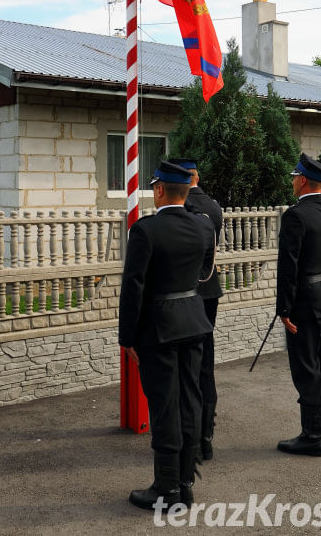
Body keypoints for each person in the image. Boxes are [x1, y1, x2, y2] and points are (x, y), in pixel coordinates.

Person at [119, 160, 215, 510]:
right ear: (186, 189)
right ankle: (185, 483)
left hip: (158, 328)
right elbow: (204, 272)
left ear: (159, 190)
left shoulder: (146, 230)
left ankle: (166, 488)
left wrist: (127, 336)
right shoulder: (203, 227)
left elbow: (134, 287)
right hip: (193, 321)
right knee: (190, 402)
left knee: (164, 408)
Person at [276, 152, 321, 457]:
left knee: (307, 368)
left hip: (305, 302)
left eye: (294, 178)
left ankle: (313, 435)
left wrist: (284, 309)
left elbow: (288, 266)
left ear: (302, 180)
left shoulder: (295, 215)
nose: (292, 182)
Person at [169, 158, 223, 460]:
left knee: (184, 368)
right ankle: (206, 435)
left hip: (186, 293)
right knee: (205, 364)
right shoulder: (213, 207)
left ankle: (188, 434)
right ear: (197, 176)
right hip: (210, 288)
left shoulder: (182, 207)